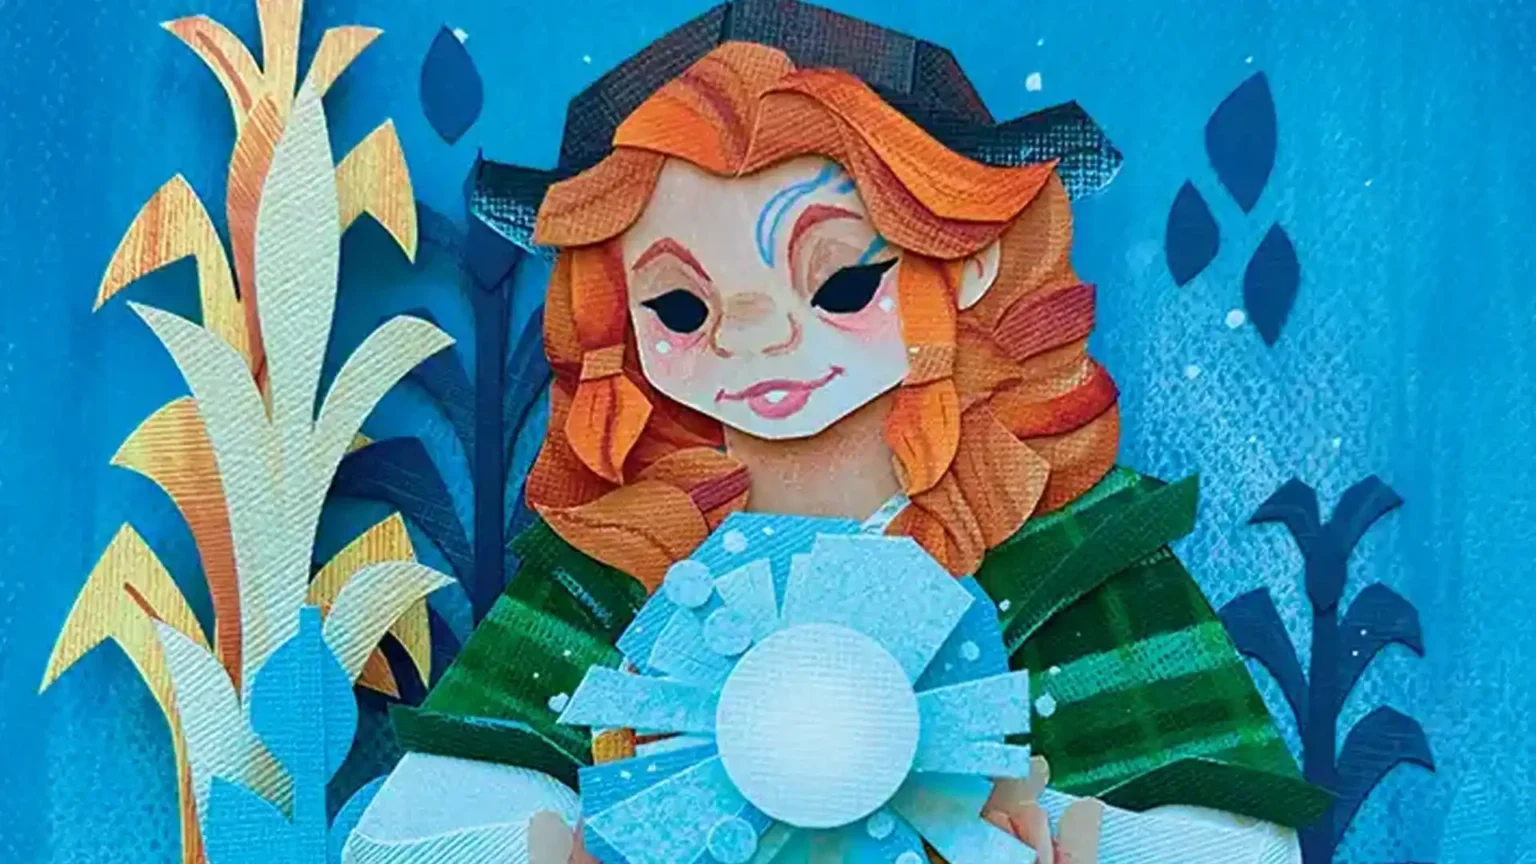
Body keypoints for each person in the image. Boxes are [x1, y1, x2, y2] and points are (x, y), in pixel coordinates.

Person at [346, 4, 1326, 862]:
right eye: (680, 307)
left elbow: (1236, 843)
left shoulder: (1069, 550)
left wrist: (1033, 826)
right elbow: (408, 836)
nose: (755, 336)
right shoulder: (621, 554)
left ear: (969, 260)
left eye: (842, 281)